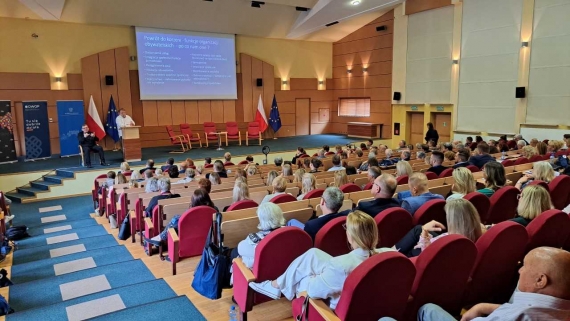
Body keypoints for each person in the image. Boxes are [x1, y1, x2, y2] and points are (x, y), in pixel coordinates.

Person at [249, 211, 395, 308]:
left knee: (304, 277)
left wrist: (316, 277)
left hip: (331, 305)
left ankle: (276, 286)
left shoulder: (340, 265)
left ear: (351, 236)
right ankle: (277, 284)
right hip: (351, 272)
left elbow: (312, 291)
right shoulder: (387, 254)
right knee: (313, 254)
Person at [418, 247, 570, 321]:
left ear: (540, 281)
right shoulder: (560, 309)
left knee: (427, 309)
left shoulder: (518, 316)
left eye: (524, 266)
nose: (520, 271)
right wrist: (482, 307)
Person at [395, 199, 482, 257]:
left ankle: (394, 254)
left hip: (423, 255)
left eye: (447, 217)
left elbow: (427, 255)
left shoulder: (446, 242)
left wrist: (424, 234)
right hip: (436, 245)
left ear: (454, 221)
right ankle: (394, 250)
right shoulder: (478, 230)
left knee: (414, 245)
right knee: (418, 228)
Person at [145, 188, 218, 247]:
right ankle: (161, 237)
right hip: (208, 237)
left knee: (176, 219)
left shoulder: (190, 213)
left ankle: (161, 237)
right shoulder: (214, 210)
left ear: (194, 201)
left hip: (190, 237)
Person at [231, 203, 286, 270]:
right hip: (283, 268)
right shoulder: (290, 232)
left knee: (234, 252)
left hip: (264, 274)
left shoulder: (254, 242)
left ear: (261, 220)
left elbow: (240, 248)